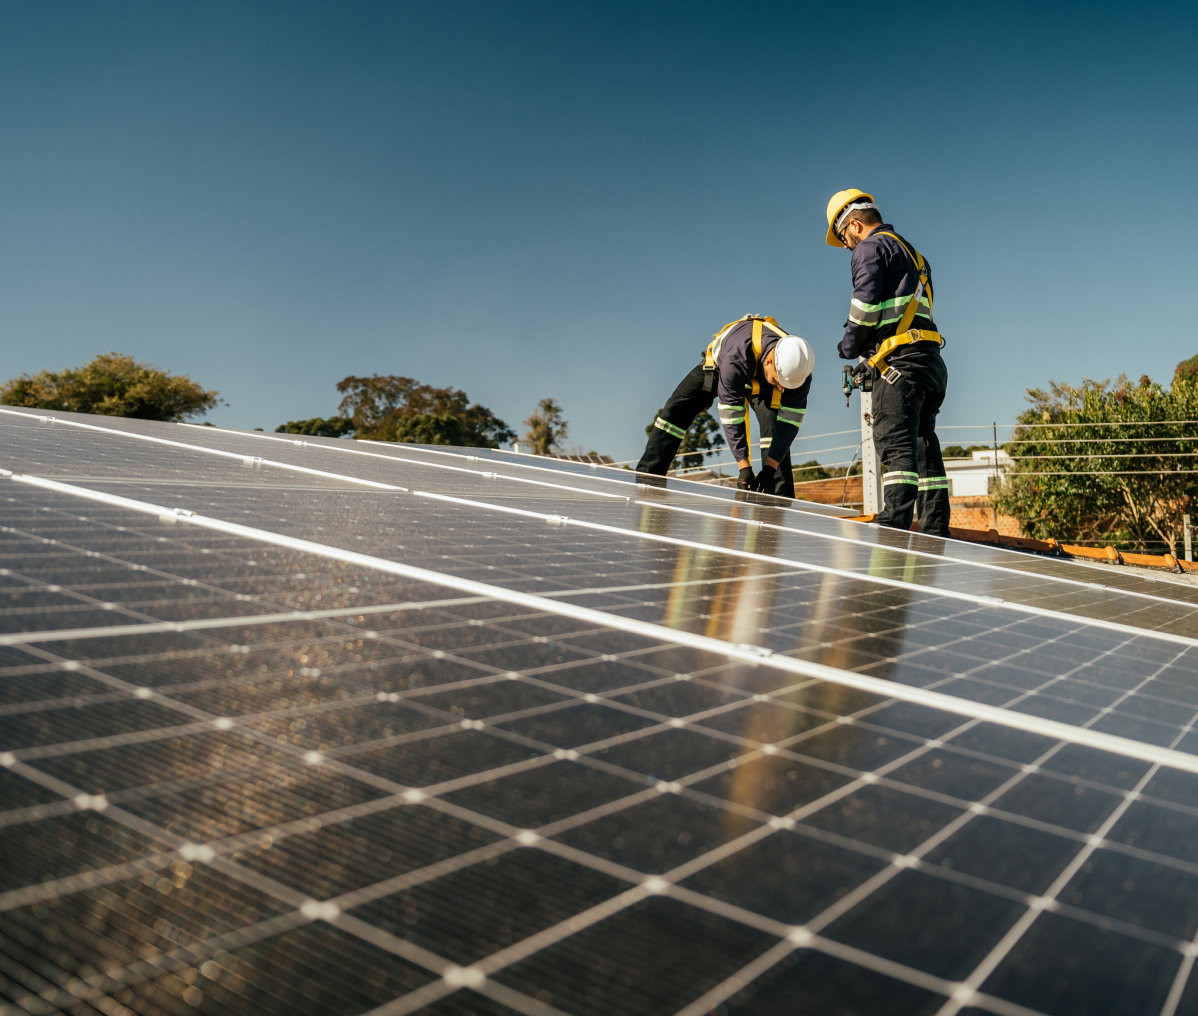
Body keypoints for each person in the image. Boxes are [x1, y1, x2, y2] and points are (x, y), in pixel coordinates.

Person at [826, 190, 950, 537]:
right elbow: (901, 313)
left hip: (900, 368)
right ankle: (936, 531)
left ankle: (892, 532)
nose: (847, 246)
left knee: (896, 450)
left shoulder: (870, 248)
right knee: (925, 447)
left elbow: (864, 310)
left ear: (853, 224)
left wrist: (848, 346)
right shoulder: (916, 255)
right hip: (930, 363)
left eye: (843, 237)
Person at [636, 314, 814, 496]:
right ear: (769, 362)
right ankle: (648, 477)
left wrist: (770, 469)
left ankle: (780, 495)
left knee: (774, 426)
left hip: (761, 378)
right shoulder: (736, 357)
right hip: (723, 367)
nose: (781, 387)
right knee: (676, 409)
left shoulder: (799, 371)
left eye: (786, 385)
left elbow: (789, 424)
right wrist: (744, 467)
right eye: (778, 381)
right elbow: (732, 415)